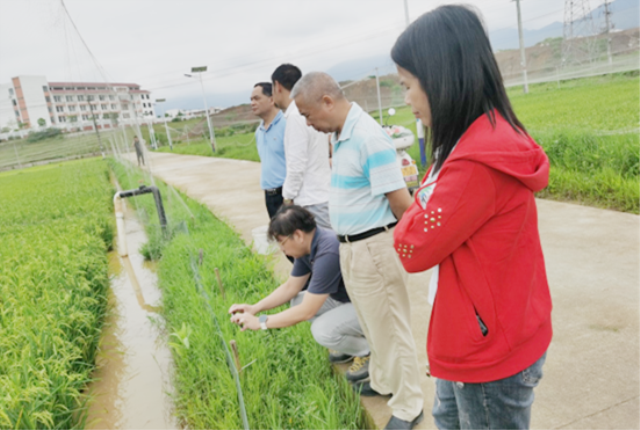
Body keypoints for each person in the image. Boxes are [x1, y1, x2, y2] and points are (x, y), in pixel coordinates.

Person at [391, 6, 552, 430]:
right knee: (448, 416)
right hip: (494, 327)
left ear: (442, 78)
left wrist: (412, 204)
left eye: (408, 85)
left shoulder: (473, 164)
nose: (406, 100)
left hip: (486, 350)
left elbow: (412, 247)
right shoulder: (490, 133)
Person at [291, 72, 425, 430]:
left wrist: (416, 250)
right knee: (371, 322)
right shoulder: (340, 135)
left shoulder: (367, 138)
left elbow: (401, 204)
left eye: (307, 115)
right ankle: (383, 381)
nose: (307, 123)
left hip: (374, 248)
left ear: (327, 102)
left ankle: (409, 404)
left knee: (391, 328)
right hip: (352, 247)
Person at [228, 205, 371, 381]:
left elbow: (307, 311)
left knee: (322, 331)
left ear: (298, 235)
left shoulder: (328, 251)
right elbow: (291, 287)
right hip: (347, 300)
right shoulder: (308, 247)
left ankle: (370, 351)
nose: (281, 249)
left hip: (369, 306)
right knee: (297, 300)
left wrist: (261, 322)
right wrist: (254, 308)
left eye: (281, 242)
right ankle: (350, 344)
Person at [271, 64, 332, 229]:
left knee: (321, 251)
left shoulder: (295, 117)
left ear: (277, 86)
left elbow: (296, 163)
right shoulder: (308, 111)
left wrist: (287, 198)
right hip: (323, 194)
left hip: (311, 201)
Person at [251, 82, 287, 219]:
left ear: (271, 99)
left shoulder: (286, 124)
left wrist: (289, 197)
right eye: (251, 99)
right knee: (279, 238)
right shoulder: (258, 132)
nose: (252, 103)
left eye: (257, 98)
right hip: (269, 196)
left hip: (286, 194)